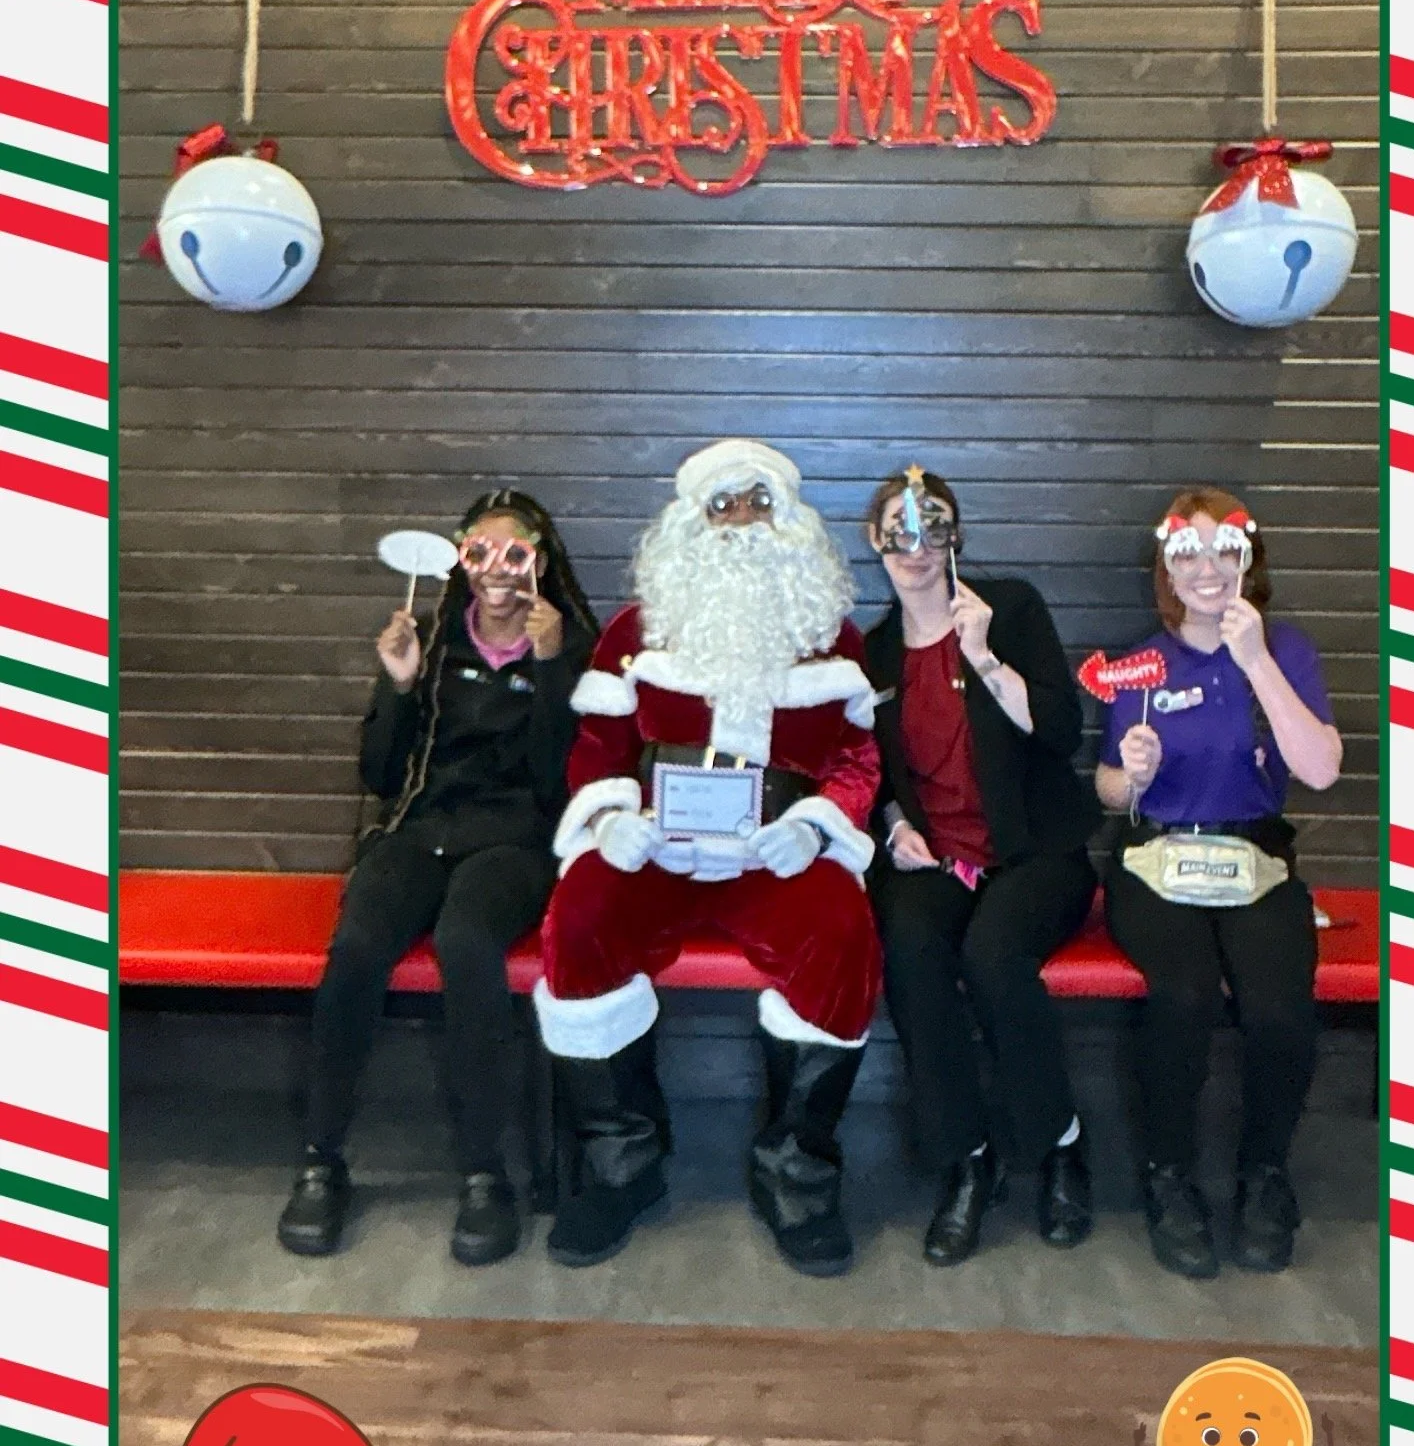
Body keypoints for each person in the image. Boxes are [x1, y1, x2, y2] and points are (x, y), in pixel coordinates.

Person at [536, 439, 882, 1277]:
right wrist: (612, 819)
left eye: (756, 504)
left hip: (775, 854)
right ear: (688, 523)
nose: (738, 522)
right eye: (721, 506)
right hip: (657, 847)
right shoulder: (634, 628)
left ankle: (794, 1174)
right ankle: (623, 1164)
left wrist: (817, 826)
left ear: (788, 520)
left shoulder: (829, 635)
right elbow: (597, 747)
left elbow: (858, 759)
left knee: (840, 938)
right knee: (578, 920)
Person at [276, 488, 597, 1267]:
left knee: (467, 943)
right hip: (421, 832)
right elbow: (382, 776)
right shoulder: (430, 640)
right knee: (355, 950)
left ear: (540, 565)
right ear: (460, 559)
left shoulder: (571, 650)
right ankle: (322, 1157)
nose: (498, 571)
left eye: (515, 554)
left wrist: (552, 672)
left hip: (515, 844)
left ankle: (487, 1175)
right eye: (479, 552)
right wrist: (397, 686)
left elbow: (564, 788)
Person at [1095, 488, 1343, 1280]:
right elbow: (1109, 789)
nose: (1207, 569)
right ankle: (1169, 1175)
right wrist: (1125, 774)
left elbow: (1321, 770)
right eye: (1188, 553)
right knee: (1184, 994)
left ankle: (1264, 1174)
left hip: (1255, 859)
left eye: (1223, 551)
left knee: (1278, 1005)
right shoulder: (1142, 665)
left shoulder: (1286, 651)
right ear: (1168, 567)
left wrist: (1256, 659)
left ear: (1247, 560)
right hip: (1156, 858)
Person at [863, 468, 1099, 1265]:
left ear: (955, 535)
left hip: (1036, 854)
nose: (918, 547)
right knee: (912, 948)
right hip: (938, 862)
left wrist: (986, 659)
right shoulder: (875, 653)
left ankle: (1059, 1142)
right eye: (900, 530)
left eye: (934, 527)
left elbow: (1063, 733)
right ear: (876, 542)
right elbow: (874, 775)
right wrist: (895, 824)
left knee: (995, 958)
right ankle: (964, 1159)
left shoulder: (1011, 609)